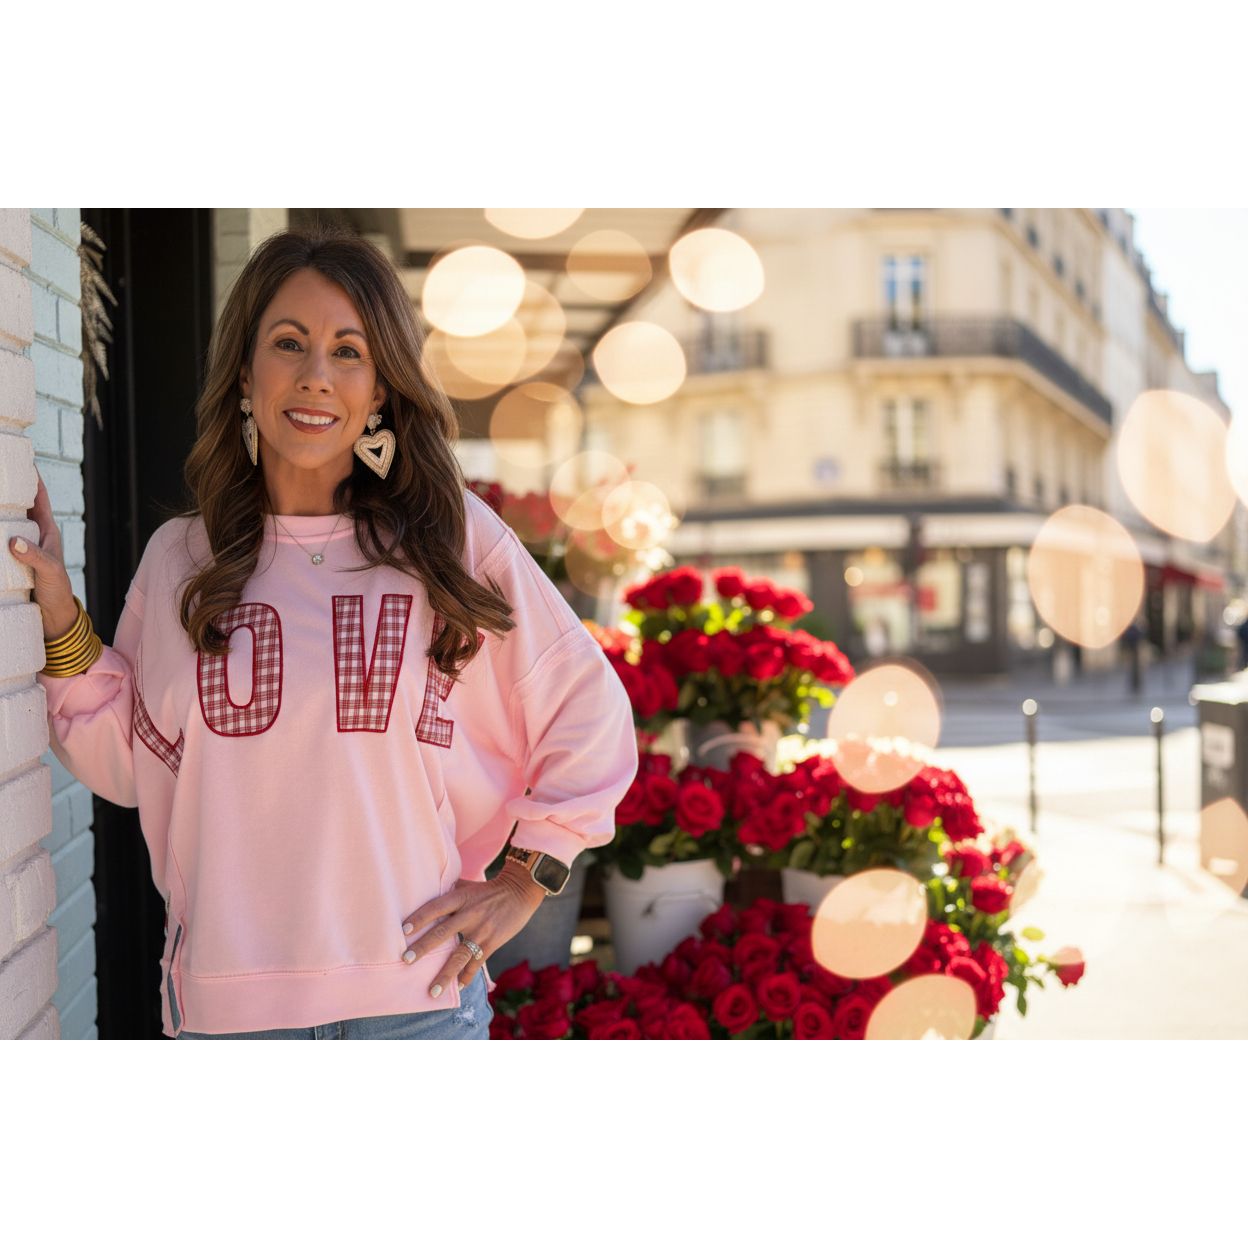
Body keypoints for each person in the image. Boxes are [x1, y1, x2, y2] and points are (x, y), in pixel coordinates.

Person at [8, 225, 638, 1039]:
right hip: (234, 1017)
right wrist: (59, 615)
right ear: (245, 371)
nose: (315, 375)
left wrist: (525, 878)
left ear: (380, 390)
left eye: (348, 352)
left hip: (418, 1011)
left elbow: (585, 709)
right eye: (289, 343)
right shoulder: (182, 560)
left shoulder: (449, 543)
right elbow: (127, 760)